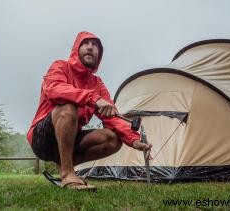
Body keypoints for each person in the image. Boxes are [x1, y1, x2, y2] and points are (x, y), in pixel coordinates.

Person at [27, 31, 152, 190]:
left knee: (113, 139)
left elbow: (112, 117)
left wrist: (134, 140)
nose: (90, 47)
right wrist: (92, 98)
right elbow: (55, 89)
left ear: (99, 55)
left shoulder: (97, 83)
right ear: (76, 49)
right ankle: (67, 174)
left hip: (71, 138)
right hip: (43, 138)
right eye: (86, 43)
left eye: (95, 45)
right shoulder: (60, 66)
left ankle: (65, 164)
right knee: (68, 106)